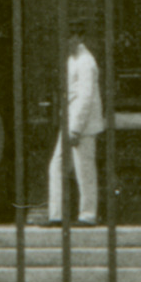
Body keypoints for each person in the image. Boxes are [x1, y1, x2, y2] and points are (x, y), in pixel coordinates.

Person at [42, 26, 108, 226]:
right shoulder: (72, 59)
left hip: (83, 125)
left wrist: (76, 128)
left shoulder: (86, 61)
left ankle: (88, 215)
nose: (67, 42)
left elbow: (86, 97)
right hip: (70, 122)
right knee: (56, 167)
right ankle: (56, 215)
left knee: (84, 168)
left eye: (71, 37)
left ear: (79, 37)